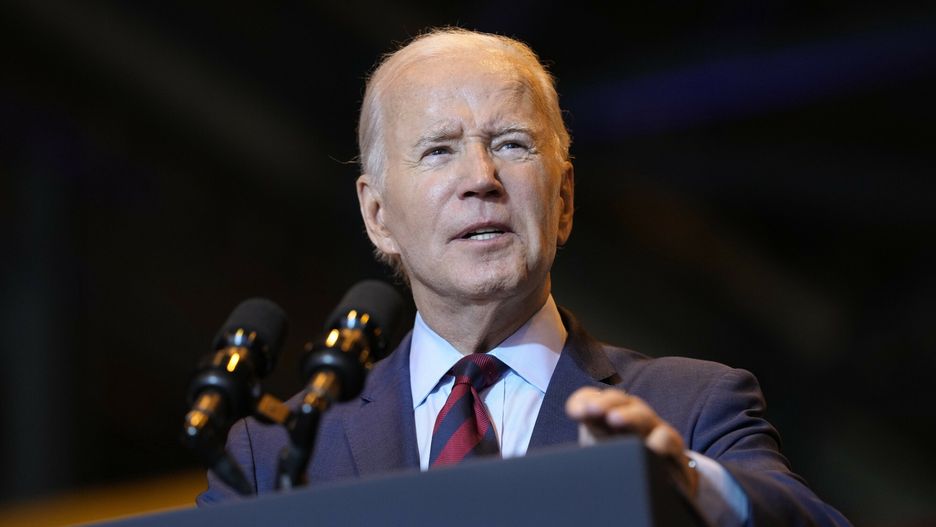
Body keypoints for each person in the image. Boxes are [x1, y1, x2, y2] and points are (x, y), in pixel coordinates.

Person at [199, 28, 850, 526]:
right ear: (377, 215)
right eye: (438, 150)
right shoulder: (278, 452)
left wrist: (678, 477)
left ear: (563, 200)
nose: (481, 178)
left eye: (511, 143)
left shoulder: (693, 405)